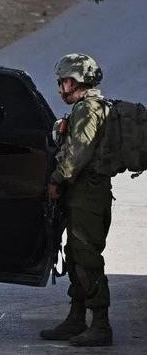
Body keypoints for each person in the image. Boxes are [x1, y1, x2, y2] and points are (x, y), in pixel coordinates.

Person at [40, 53, 113, 347]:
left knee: (86, 257)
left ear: (75, 81)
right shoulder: (90, 107)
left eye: (63, 82)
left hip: (88, 195)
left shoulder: (88, 109)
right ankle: (76, 318)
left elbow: (78, 152)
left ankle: (101, 325)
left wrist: (56, 179)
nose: (60, 89)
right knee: (75, 256)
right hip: (84, 193)